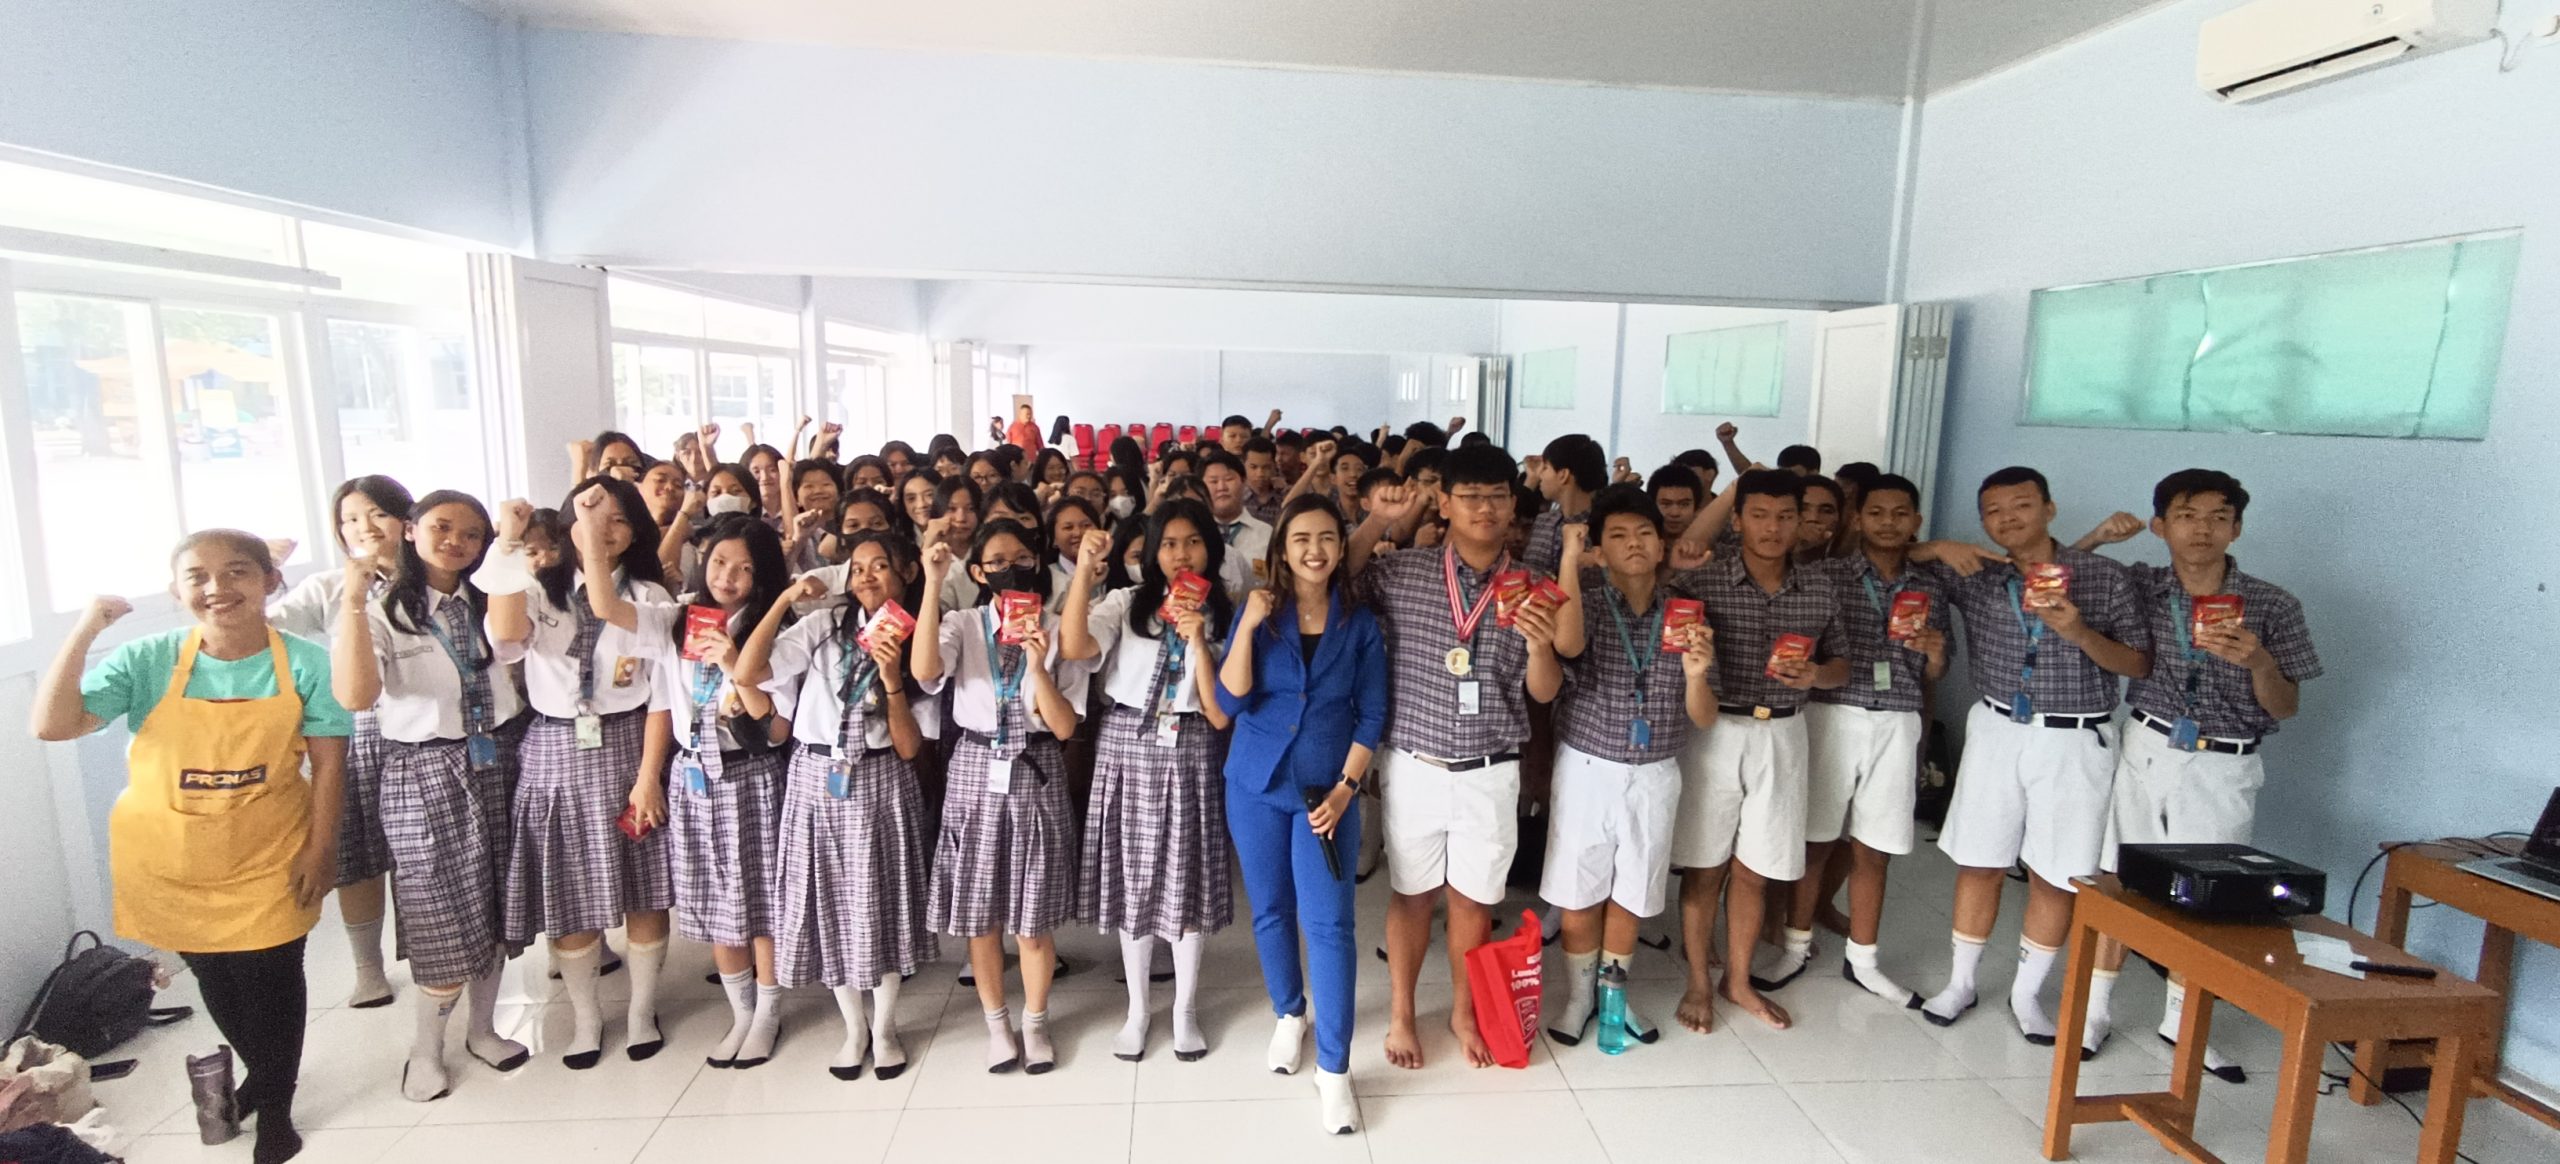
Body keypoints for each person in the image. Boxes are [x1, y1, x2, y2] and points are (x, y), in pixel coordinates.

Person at [33, 531, 352, 1164]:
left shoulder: (308, 663)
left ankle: (277, 1109)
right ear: (177, 590)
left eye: (237, 572)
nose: (217, 588)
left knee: (273, 978)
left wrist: (323, 849)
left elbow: (331, 768)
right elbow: (51, 724)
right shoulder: (151, 659)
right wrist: (85, 629)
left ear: (269, 582)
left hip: (269, 853)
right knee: (216, 975)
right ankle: (263, 1074)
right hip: (170, 859)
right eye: (198, 576)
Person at [2072, 470, 2319, 1074]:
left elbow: (2286, 705)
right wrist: (2097, 538)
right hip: (2147, 744)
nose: (2201, 528)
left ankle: (2182, 1022)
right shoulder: (2138, 587)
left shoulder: (2274, 605)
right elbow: (2049, 580)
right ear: (2160, 527)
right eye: (2186, 514)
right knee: (2119, 878)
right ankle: (2095, 1011)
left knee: (2206, 895)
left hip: (2224, 759)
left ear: (2236, 527)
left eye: (2217, 516)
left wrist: (2258, 660)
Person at [1344, 444, 1580, 1069]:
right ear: (1443, 502)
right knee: (1412, 895)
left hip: (1491, 768)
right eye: (1470, 496)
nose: (1485, 507)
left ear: (1512, 504)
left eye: (1498, 495)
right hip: (1416, 763)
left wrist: (1538, 648)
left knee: (1474, 900)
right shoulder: (1404, 572)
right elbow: (1334, 578)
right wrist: (1378, 519)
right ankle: (1400, 1014)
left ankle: (1462, 1012)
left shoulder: (1534, 588)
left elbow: (1546, 692)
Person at [1907, 466, 2150, 1048]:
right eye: (1994, 510)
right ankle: (1961, 982)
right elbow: (1896, 553)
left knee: (2057, 874)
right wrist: (1939, 544)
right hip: (1996, 730)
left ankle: (2026, 993)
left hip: (2074, 738)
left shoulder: (2104, 577)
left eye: (2022, 505)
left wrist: (2080, 633)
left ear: (2050, 508)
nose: (2008, 518)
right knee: (1980, 861)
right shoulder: (1978, 576)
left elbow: (2137, 664)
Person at [329, 491, 533, 1103]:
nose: (456, 542)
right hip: (424, 770)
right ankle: (425, 1049)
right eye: (442, 527)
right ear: (411, 530)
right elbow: (356, 696)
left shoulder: (489, 596)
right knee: (439, 912)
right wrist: (351, 601)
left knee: (499, 903)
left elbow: (513, 646)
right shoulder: (380, 611)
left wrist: (510, 539)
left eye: (471, 534)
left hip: (499, 756)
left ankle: (483, 1029)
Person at [479, 478, 682, 1070]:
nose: (604, 529)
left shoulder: (647, 592)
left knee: (645, 885)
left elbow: (662, 696)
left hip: (629, 743)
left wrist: (649, 777)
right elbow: (507, 639)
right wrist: (510, 544)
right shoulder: (538, 589)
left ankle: (643, 1010)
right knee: (569, 893)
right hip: (557, 746)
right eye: (590, 518)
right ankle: (588, 1017)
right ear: (566, 527)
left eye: (618, 520)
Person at [738, 530, 936, 1082]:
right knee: (828, 900)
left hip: (878, 774)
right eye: (858, 569)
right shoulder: (823, 627)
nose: (867, 577)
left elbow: (908, 746)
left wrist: (893, 678)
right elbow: (749, 672)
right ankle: (853, 1029)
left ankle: (888, 1026)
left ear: (905, 575)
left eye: (880, 566)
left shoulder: (918, 637)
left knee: (883, 900)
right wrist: (783, 601)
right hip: (816, 773)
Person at [1528, 486, 1719, 1050]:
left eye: (1644, 534)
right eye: (1618, 536)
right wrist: (1569, 557)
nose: (1633, 545)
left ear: (1663, 546)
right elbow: (1565, 648)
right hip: (1589, 765)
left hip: (1657, 770)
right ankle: (1579, 995)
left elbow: (1704, 718)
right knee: (1580, 889)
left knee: (1631, 892)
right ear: (1600, 551)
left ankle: (1615, 995)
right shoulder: (1581, 596)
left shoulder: (1687, 613)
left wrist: (1696, 675)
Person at [1219, 495, 1385, 1133]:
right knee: (1269, 910)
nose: (1314, 550)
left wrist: (1347, 787)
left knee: (1331, 926)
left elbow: (1372, 714)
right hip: (1256, 784)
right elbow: (1231, 700)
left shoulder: (1360, 624)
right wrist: (1251, 624)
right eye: (1301, 540)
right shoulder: (1259, 611)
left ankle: (1336, 1070)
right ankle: (1291, 1013)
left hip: (1329, 794)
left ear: (1341, 549)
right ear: (1282, 551)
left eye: (1325, 539)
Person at [1753, 474, 1947, 1007]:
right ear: (1857, 519)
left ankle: (1864, 960)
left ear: (1916, 521)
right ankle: (1795, 945)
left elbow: (1936, 671)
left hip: (1898, 718)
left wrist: (1932, 654)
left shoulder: (1930, 583)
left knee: (1875, 847)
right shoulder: (1826, 574)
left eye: (1900, 513)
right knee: (1815, 840)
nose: (1889, 522)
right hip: (1831, 713)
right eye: (1877, 512)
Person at [913, 519, 1096, 1074]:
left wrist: (1038, 667)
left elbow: (1065, 728)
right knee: (980, 916)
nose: (1010, 567)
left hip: (1035, 767)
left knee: (1033, 920)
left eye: (1021, 558)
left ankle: (1036, 1022)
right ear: (979, 572)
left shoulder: (1061, 627)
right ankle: (997, 1026)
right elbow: (924, 670)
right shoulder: (962, 622)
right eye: (996, 560)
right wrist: (930, 579)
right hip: (974, 767)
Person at [1670, 469, 1849, 1033]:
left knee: (1756, 870)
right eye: (1760, 515)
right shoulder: (1704, 579)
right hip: (1714, 732)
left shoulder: (1820, 587)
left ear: (1802, 521)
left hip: (1785, 734)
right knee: (1706, 867)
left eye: (1786, 516)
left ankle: (1738, 979)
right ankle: (1699, 980)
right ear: (1740, 519)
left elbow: (1842, 661)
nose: (1773, 529)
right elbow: (1680, 554)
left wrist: (1818, 672)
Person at [1059, 500, 1236, 1063]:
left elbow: (1218, 712)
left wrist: (1199, 640)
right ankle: (1137, 1009)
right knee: (1134, 882)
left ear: (1210, 547)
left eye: (1192, 542)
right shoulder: (1125, 603)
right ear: (1153, 552)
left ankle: (1184, 1008)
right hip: (1128, 742)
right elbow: (1075, 647)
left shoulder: (1224, 612)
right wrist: (1086, 571)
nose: (1180, 554)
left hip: (1190, 744)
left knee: (1187, 881)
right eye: (1168, 544)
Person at [267, 476, 411, 1009]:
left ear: (404, 518)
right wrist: (264, 573)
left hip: (420, 731)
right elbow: (264, 626)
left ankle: (437, 957)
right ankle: (368, 970)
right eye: (349, 519)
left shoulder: (431, 578)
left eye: (375, 514)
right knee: (358, 851)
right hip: (354, 732)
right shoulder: (328, 587)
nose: (362, 528)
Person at [656, 517, 793, 1069]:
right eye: (718, 563)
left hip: (752, 774)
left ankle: (767, 1014)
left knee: (760, 902)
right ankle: (739, 1012)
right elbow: (665, 700)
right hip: (694, 775)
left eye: (744, 568)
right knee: (717, 901)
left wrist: (733, 664)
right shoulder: (678, 621)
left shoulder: (772, 632)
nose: (728, 577)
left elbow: (779, 728)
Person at [1526, 435, 1605, 576]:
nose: (1539, 475)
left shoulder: (1603, 527)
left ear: (1563, 475)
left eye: (1545, 467)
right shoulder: (1542, 522)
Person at [1201, 450, 1272, 601]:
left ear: (1244, 481)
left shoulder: (1267, 534)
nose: (1222, 487)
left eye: (1229, 479)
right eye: (1213, 481)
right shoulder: (1195, 534)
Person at [1645, 465, 1702, 543]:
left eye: (1684, 504)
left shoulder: (1716, 548)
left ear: (1696, 508)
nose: (1675, 513)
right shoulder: (1640, 546)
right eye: (1666, 504)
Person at [1241, 436, 1286, 525]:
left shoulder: (1284, 497)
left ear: (1274, 465)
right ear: (1243, 465)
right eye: (1253, 467)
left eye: (1266, 467)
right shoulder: (1235, 497)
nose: (1260, 473)